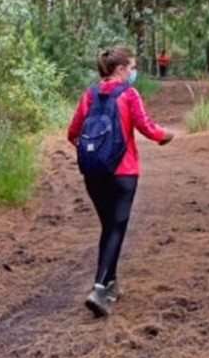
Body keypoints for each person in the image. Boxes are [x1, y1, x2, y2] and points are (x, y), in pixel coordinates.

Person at [67, 46, 175, 317]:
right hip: (123, 172)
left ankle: (111, 283)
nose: (133, 72)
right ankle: (99, 288)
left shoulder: (89, 94)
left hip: (93, 172)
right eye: (132, 67)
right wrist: (165, 135)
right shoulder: (128, 94)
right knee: (116, 228)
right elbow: (146, 126)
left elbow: (73, 132)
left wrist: (95, 152)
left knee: (109, 226)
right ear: (120, 69)